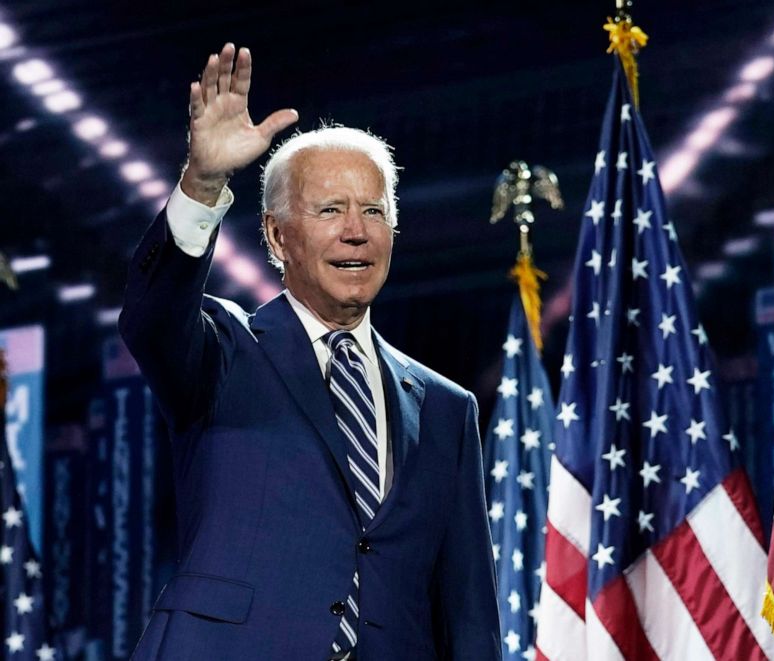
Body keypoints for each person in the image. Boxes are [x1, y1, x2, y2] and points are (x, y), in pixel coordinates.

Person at [120, 43, 501, 660]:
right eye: (330, 210)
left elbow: (468, 611)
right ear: (277, 235)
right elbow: (150, 318)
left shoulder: (445, 409)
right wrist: (204, 181)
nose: (356, 230)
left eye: (373, 211)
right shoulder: (221, 351)